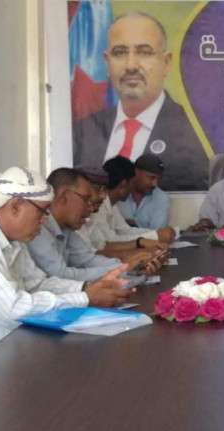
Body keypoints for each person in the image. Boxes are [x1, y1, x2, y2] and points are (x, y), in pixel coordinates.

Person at [0, 167, 131, 364]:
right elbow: (13, 309)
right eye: (43, 211)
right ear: (16, 206)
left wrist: (88, 288)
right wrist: (85, 298)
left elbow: (36, 283)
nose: (45, 220)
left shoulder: (11, 238)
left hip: (5, 353)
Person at [72, 11, 207, 191]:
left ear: (166, 63)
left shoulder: (194, 130)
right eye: (120, 53)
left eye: (144, 52)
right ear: (107, 62)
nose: (131, 66)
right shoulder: (82, 132)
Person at [28, 168, 159, 282]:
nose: (91, 208)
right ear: (64, 197)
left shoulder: (66, 228)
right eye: (85, 200)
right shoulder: (38, 227)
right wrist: (122, 269)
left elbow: (87, 260)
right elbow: (61, 275)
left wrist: (129, 266)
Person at [78, 162, 172, 262]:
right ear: (123, 184)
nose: (103, 196)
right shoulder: (97, 206)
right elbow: (107, 243)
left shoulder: (110, 204)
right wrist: (148, 239)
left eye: (104, 189)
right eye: (132, 183)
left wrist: (154, 235)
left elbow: (123, 230)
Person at [115, 154, 173, 229]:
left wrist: (130, 225)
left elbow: (158, 233)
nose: (155, 184)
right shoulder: (119, 192)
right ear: (136, 172)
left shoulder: (161, 198)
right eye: (151, 178)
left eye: (158, 179)